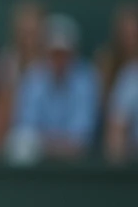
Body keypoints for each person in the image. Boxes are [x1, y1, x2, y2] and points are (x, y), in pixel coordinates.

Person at [9, 14, 99, 162]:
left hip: (76, 167)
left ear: (74, 53)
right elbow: (25, 132)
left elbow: (81, 140)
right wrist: (55, 145)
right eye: (54, 54)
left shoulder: (86, 80)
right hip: (37, 166)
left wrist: (44, 144)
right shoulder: (33, 77)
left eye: (64, 54)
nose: (59, 60)